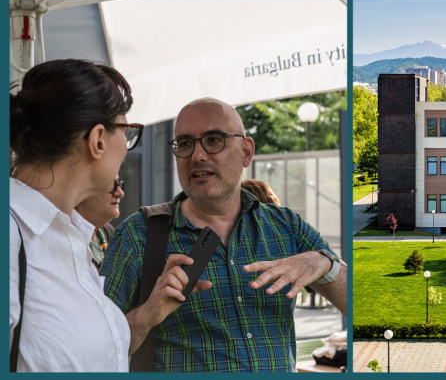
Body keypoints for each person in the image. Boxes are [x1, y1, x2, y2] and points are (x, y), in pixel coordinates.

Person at [101, 97, 347, 372]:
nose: (197, 155)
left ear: (246, 152)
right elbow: (95, 350)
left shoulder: (286, 226)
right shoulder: (139, 235)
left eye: (214, 140)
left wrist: (323, 263)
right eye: (184, 143)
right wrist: (147, 315)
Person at [9, 59, 210, 372]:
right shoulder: (12, 237)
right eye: (126, 132)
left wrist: (147, 314)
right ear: (98, 140)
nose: (126, 147)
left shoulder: (69, 235)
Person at [75, 176, 125, 270]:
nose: (120, 193)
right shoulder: (62, 238)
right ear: (82, 191)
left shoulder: (110, 234)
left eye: (118, 184)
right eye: (111, 185)